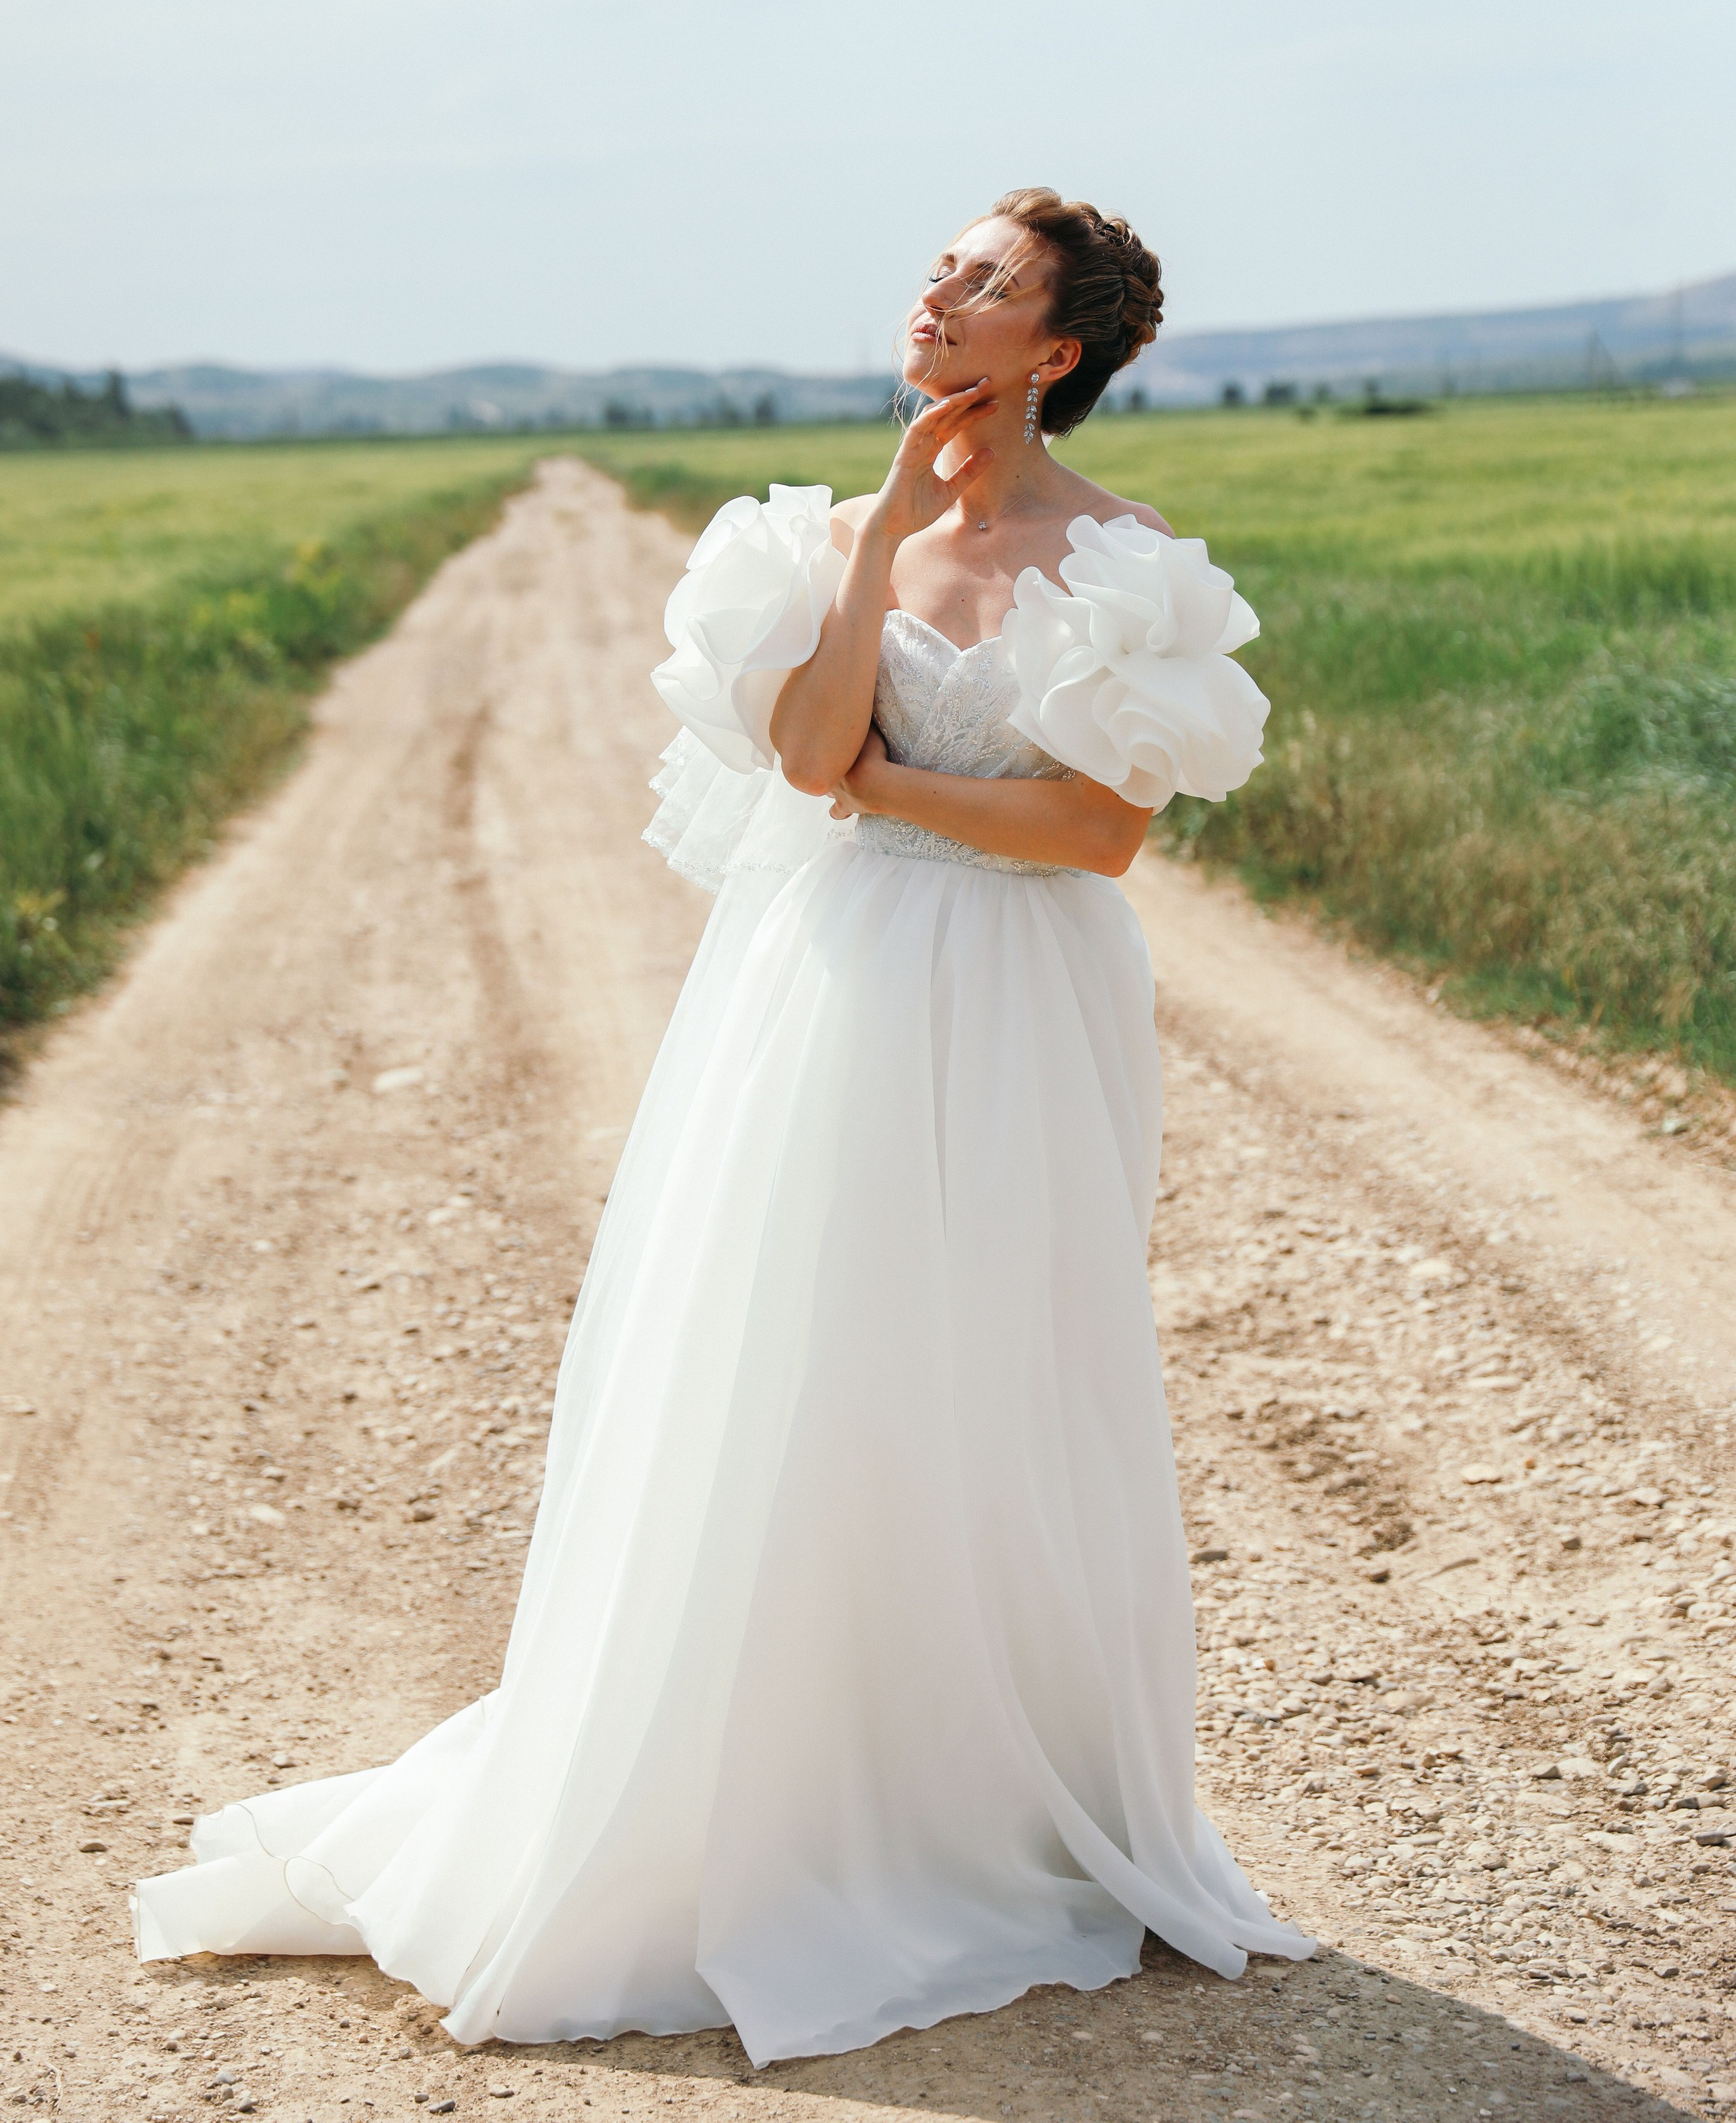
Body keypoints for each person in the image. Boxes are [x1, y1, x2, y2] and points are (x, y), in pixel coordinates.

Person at [133, 187, 1311, 2063]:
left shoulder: (1128, 561)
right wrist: (880, 553)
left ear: (1057, 348)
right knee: (803, 1354)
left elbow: (1098, 832)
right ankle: (773, 1783)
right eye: (942, 263)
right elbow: (804, 755)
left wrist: (884, 788)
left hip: (1025, 997)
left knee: (1000, 1364)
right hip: (830, 980)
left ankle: (998, 1805)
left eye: (984, 278)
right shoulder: (827, 540)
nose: (939, 288)